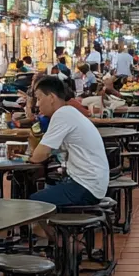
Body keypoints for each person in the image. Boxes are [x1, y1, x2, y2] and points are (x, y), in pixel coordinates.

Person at [24, 76, 109, 206]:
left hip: (86, 187)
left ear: (51, 98)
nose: (37, 104)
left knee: (32, 202)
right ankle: (59, 226)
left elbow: (39, 156)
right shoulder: (68, 112)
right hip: (93, 183)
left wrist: (31, 154)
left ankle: (57, 226)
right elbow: (44, 151)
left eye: (39, 98)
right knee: (47, 187)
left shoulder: (62, 115)